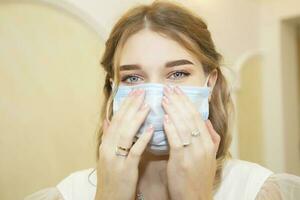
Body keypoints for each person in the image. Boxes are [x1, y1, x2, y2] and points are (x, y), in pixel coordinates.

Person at [24, 1, 300, 200]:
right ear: (113, 87)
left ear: (210, 81)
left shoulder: (259, 191)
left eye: (177, 73)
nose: (155, 94)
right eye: (133, 78)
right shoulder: (69, 194)